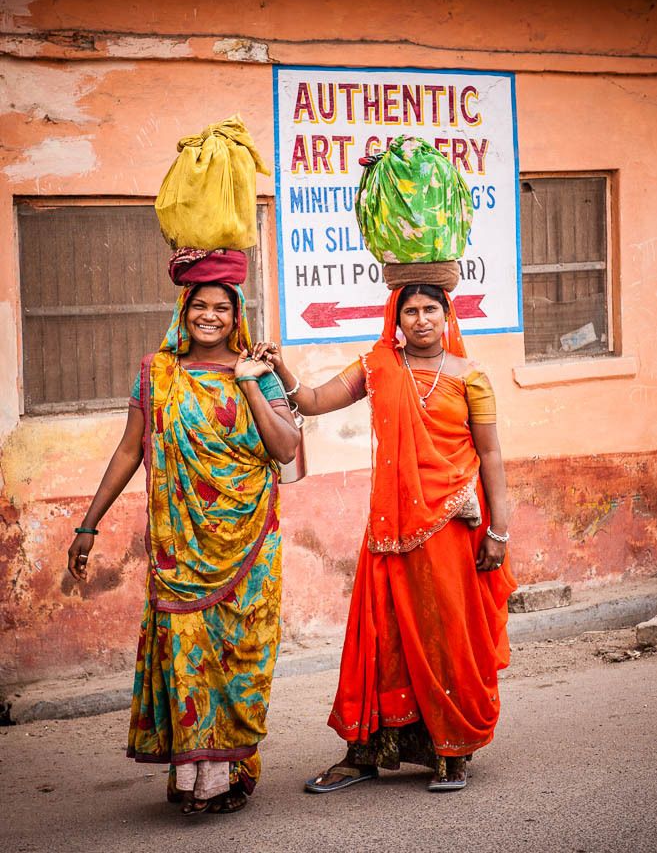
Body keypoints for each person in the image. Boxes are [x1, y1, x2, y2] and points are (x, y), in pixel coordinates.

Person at [254, 282, 516, 792]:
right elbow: (311, 401)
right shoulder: (377, 367)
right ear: (396, 320)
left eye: (429, 310)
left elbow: (492, 457)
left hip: (449, 530)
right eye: (409, 311)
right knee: (381, 638)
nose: (420, 320)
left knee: (446, 637)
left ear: (447, 315)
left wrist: (499, 532)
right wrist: (280, 368)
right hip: (388, 531)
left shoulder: (472, 378)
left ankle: (451, 751)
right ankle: (366, 751)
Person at [67, 249, 299, 815]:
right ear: (184, 309)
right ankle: (198, 778)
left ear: (237, 313)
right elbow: (129, 449)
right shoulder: (158, 372)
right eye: (201, 305)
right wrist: (88, 524)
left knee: (240, 656)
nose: (211, 316)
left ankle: (228, 776)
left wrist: (248, 383)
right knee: (188, 655)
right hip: (179, 550)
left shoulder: (259, 370)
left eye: (223, 307)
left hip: (249, 545)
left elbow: (286, 447)